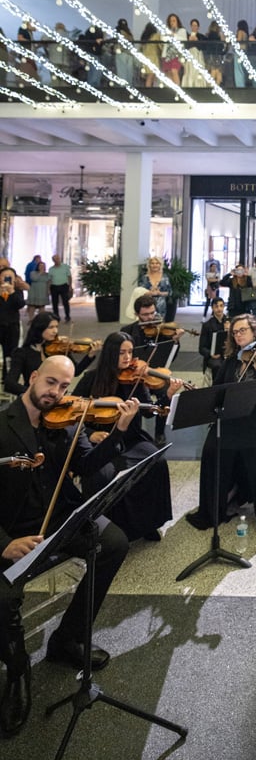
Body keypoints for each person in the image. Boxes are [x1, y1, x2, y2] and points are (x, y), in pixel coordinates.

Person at [0, 357, 137, 736]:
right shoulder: (3, 425)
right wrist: (5, 544)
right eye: (50, 383)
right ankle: (17, 671)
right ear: (31, 378)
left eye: (64, 386)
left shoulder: (64, 423)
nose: (57, 393)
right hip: (12, 531)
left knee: (114, 542)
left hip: (59, 518)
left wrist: (118, 431)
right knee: (3, 597)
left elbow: (89, 465)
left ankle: (67, 638)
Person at [72, 333, 178, 541]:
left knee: (156, 462)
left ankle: (147, 523)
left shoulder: (136, 379)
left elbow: (150, 411)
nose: (128, 357)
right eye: (122, 353)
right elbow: (74, 413)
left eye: (130, 352)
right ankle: (110, 531)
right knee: (105, 475)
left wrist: (169, 394)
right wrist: (91, 434)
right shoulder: (90, 379)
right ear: (111, 354)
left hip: (131, 438)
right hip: (103, 442)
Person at [186, 313, 256, 534]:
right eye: (235, 332)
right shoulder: (231, 360)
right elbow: (218, 391)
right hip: (233, 415)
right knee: (212, 446)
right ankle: (215, 508)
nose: (239, 335)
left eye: (243, 330)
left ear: (254, 332)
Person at [121, 292, 184, 445]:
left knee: (167, 393)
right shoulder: (127, 331)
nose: (150, 318)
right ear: (137, 314)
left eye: (152, 313)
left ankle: (160, 432)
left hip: (155, 374)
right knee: (130, 397)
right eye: (145, 315)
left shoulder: (162, 331)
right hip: (134, 375)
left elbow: (169, 358)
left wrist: (174, 342)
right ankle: (132, 431)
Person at [5, 312, 98, 396]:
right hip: (33, 400)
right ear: (39, 328)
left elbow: (76, 371)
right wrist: (33, 393)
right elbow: (10, 384)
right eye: (51, 327)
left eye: (56, 327)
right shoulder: (22, 353)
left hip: (57, 397)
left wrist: (90, 355)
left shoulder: (58, 348)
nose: (55, 331)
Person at [0, 266, 25, 387]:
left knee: (10, 353)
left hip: (12, 327)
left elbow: (20, 304)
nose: (7, 278)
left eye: (10, 276)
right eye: (4, 276)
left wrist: (12, 292)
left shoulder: (17, 291)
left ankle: (7, 379)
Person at [198, 297, 228, 383]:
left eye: (221, 306)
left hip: (228, 354)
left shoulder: (230, 322)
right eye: (216, 306)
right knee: (218, 366)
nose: (219, 309)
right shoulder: (207, 325)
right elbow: (201, 348)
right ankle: (217, 388)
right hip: (215, 356)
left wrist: (229, 331)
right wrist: (211, 354)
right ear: (212, 308)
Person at [48, 253, 72, 322]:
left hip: (64, 286)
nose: (57, 260)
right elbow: (50, 279)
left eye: (58, 259)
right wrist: (48, 289)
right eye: (55, 259)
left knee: (65, 302)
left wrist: (70, 286)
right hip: (54, 286)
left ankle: (67, 316)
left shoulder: (65, 267)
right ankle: (56, 316)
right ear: (53, 261)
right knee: (55, 302)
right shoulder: (51, 269)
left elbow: (69, 277)